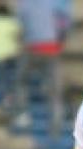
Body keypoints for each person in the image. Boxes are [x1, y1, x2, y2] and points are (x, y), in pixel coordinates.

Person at [13, 0, 68, 137]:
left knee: (21, 80)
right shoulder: (53, 3)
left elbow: (19, 25)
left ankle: (22, 114)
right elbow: (64, 22)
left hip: (33, 46)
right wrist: (60, 40)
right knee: (54, 88)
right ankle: (57, 123)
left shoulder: (23, 4)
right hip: (52, 46)